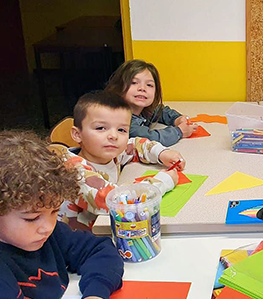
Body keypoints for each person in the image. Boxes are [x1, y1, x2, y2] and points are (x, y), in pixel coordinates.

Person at [0, 131, 134, 299]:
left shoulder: (46, 234)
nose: (47, 227)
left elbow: (98, 250)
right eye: (31, 218)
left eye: (54, 212)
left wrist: (95, 294)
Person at [58, 91, 185, 231]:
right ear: (77, 134)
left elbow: (136, 144)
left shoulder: (110, 152)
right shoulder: (75, 172)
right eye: (101, 128)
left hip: (104, 229)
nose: (113, 136)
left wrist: (161, 153)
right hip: (78, 243)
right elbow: (120, 201)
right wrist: (163, 181)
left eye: (122, 130)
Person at [105, 59, 197, 146]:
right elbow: (151, 139)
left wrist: (177, 119)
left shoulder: (144, 110)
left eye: (149, 85)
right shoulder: (121, 120)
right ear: (119, 87)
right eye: (134, 82)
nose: (142, 88)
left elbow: (161, 111)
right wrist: (179, 131)